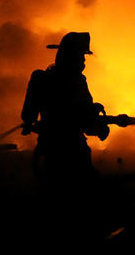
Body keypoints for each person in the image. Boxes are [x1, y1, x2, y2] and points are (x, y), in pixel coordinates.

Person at [21, 31, 111, 187]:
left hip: (51, 152)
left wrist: (30, 124)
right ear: (70, 56)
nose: (83, 60)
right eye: (80, 55)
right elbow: (83, 121)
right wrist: (99, 127)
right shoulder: (77, 83)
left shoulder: (41, 78)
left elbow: (28, 114)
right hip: (73, 153)